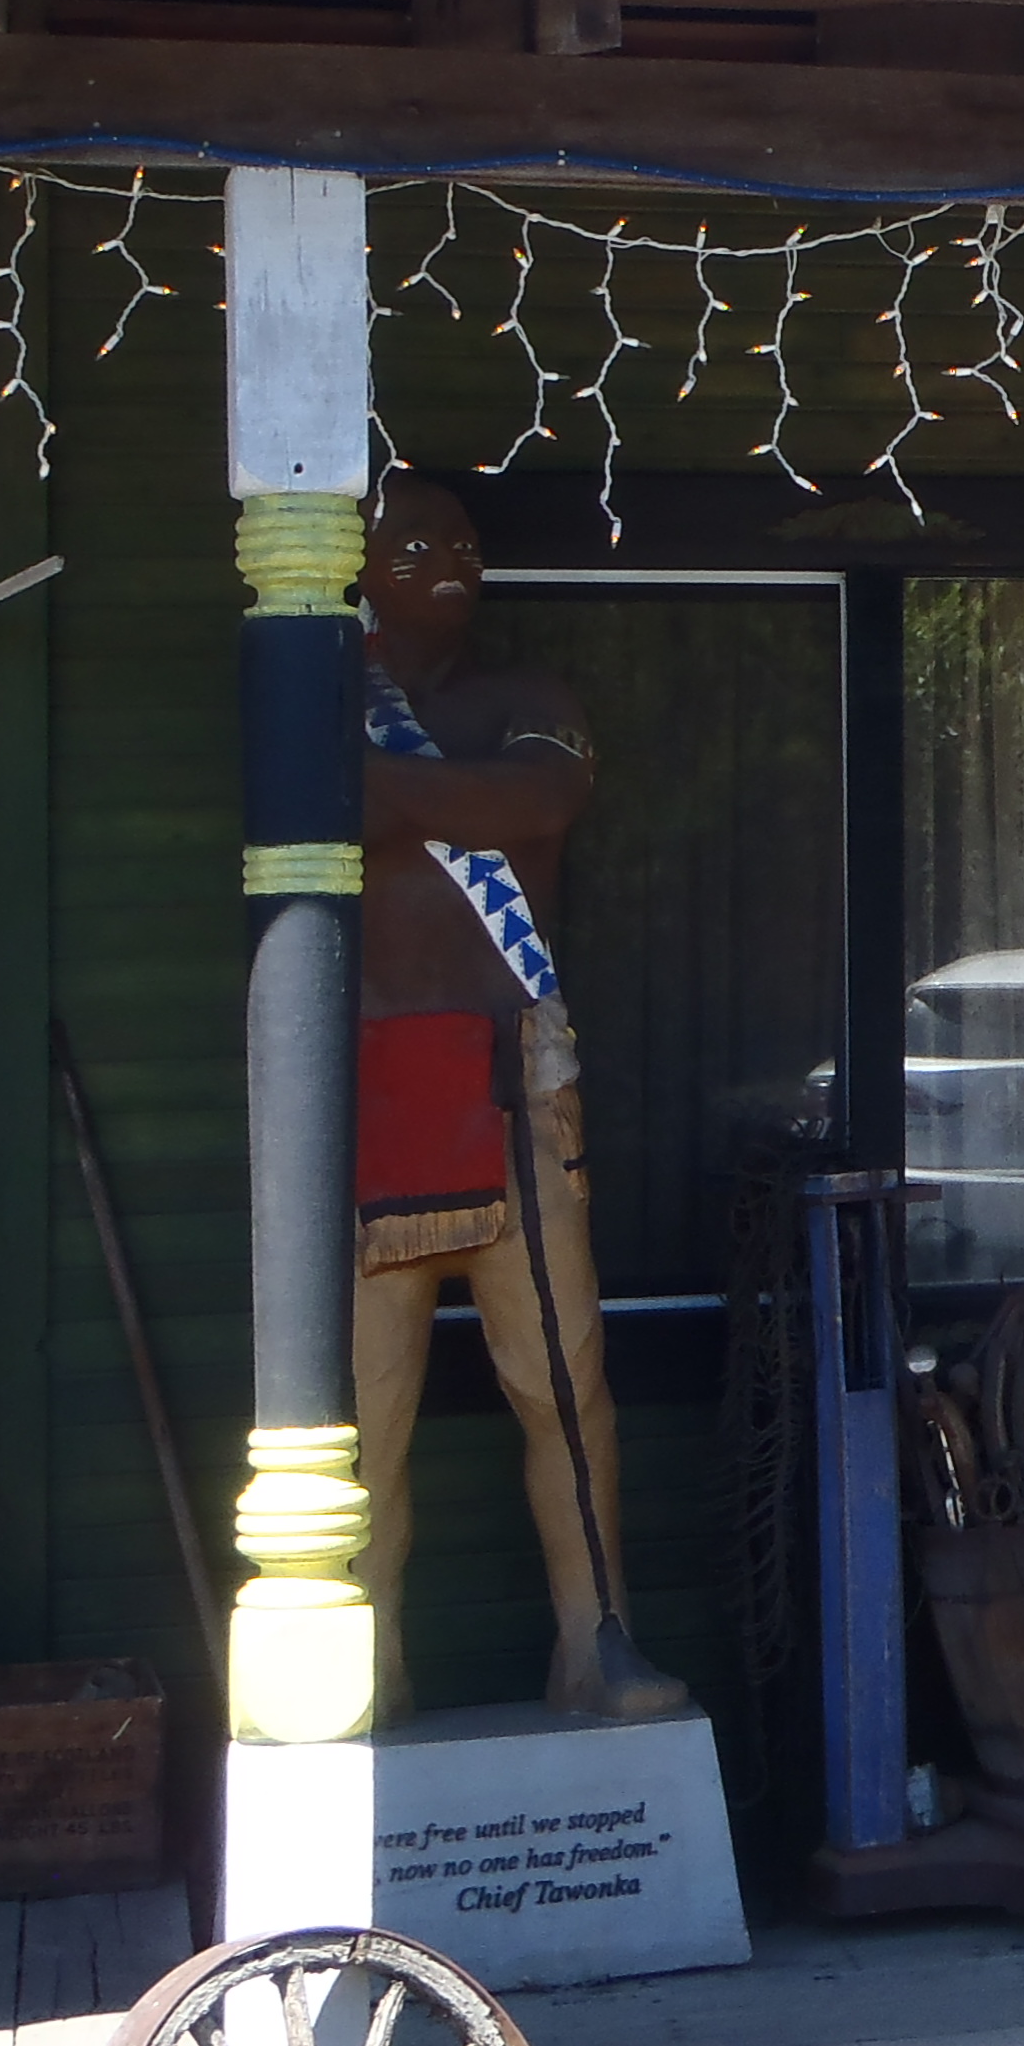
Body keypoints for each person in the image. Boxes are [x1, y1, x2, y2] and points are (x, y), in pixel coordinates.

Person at [350, 475, 688, 1723]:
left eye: (464, 539)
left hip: (514, 1076)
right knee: (362, 1414)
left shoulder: (529, 700)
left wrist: (387, 788)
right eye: (415, 541)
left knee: (564, 1382)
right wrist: (438, 792)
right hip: (364, 1089)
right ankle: (364, 1663)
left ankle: (597, 1642)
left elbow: (543, 799)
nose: (452, 556)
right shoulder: (319, 695)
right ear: (357, 564)